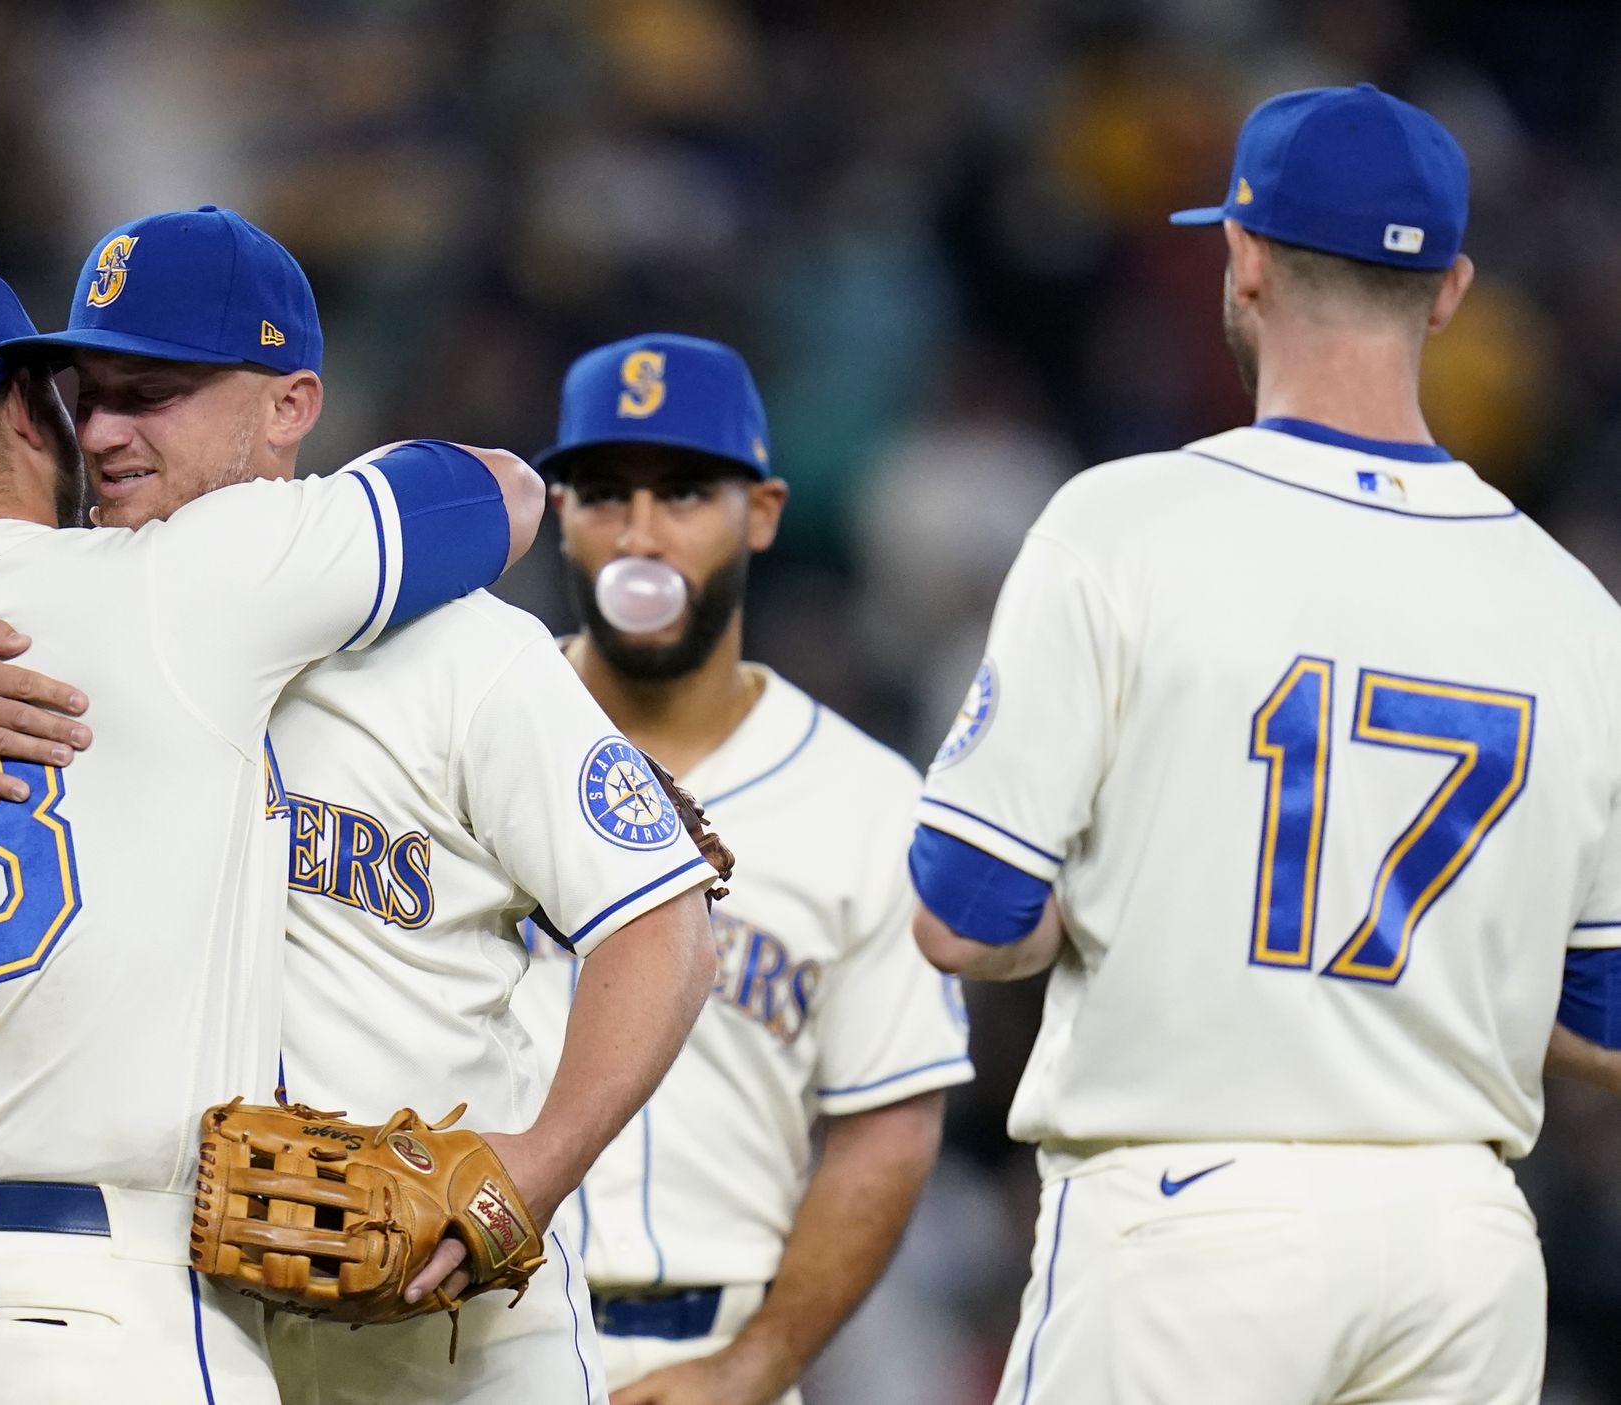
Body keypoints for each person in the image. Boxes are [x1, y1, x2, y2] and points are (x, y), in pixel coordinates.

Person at [0, 207, 723, 1404]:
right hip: (174, 1318)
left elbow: (663, 928)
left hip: (449, 1336)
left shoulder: (461, 647)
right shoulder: (37, 627)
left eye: (149, 393)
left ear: (288, 404)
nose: (100, 432)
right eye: (80, 397)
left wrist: (533, 1171)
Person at [909, 83, 1621, 1404]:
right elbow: (1606, 1016)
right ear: (1453, 291)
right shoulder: (1578, 609)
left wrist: (1145, 907)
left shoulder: (1126, 523)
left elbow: (962, 915)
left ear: (1240, 256)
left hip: (1191, 1214)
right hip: (1462, 1247)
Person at [510, 334, 971, 1405]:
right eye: (602, 494)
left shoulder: (866, 797)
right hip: (459, 1332)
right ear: (558, 511)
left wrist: (757, 1363)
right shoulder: (464, 739)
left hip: (709, 1339)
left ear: (759, 512)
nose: (639, 535)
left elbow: (890, 1120)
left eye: (681, 493)